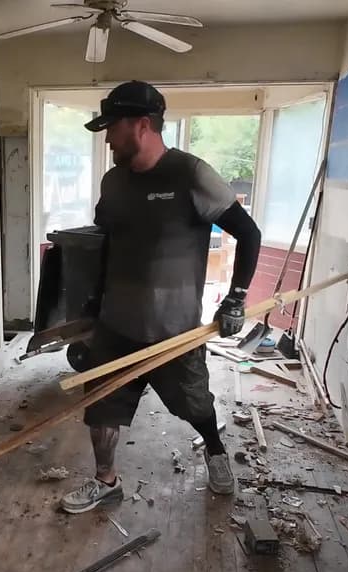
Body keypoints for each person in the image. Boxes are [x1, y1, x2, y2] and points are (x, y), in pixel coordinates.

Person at [60, 80, 263, 514]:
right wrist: (93, 306)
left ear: (143, 124)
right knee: (101, 409)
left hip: (174, 332)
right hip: (118, 326)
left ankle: (214, 451)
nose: (108, 137)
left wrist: (236, 298)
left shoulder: (190, 174)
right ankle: (106, 481)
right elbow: (107, 243)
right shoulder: (113, 182)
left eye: (113, 127)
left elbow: (248, 232)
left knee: (196, 405)